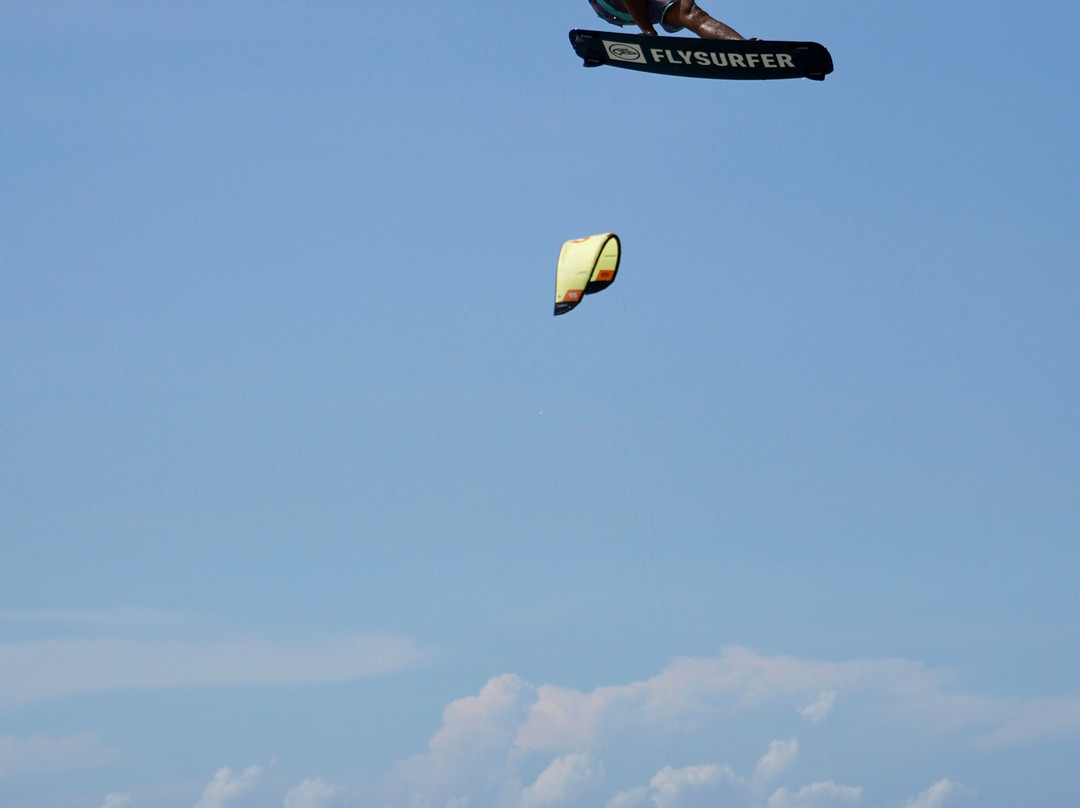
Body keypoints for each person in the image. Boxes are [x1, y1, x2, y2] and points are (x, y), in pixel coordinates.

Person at [589, 0, 745, 40]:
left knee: (691, 15)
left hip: (651, 6)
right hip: (612, 6)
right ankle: (648, 32)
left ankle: (746, 51)